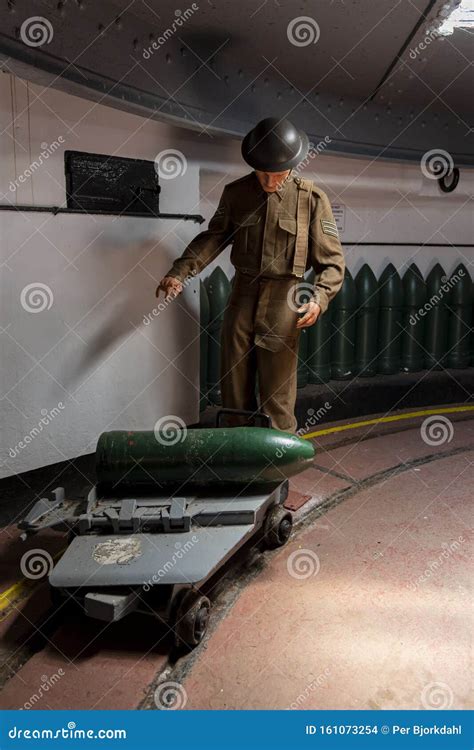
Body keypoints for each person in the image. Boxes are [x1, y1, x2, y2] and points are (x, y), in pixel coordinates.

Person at [156, 117, 345, 433]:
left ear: (293, 165)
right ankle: (236, 449)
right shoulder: (237, 194)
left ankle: (276, 458)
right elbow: (214, 237)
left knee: (277, 390)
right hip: (242, 296)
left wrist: (319, 297)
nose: (270, 183)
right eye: (263, 174)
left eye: (278, 175)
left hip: (285, 301)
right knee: (234, 381)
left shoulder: (311, 200)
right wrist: (181, 272)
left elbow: (333, 262)